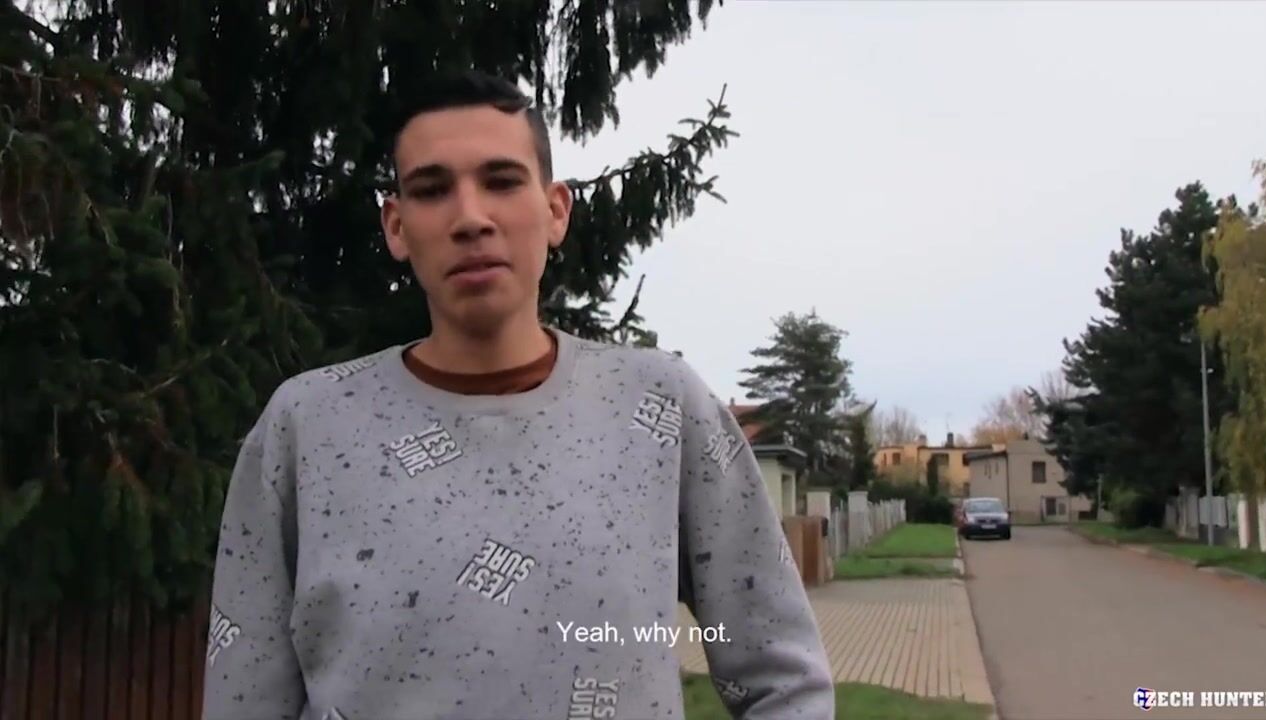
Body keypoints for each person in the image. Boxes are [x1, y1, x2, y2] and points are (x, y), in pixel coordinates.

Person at [202, 69, 834, 720]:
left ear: (555, 210)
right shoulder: (307, 428)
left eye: (501, 181)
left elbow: (783, 678)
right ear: (396, 226)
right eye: (432, 190)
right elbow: (242, 697)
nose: (470, 218)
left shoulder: (662, 410)